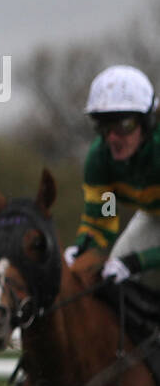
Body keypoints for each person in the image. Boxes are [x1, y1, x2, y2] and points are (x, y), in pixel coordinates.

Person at [65, 64, 160, 290]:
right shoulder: (100, 160)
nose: (113, 138)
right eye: (105, 127)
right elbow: (104, 218)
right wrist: (81, 249)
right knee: (113, 273)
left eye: (124, 126)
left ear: (146, 123)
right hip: (153, 216)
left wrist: (139, 262)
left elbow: (138, 262)